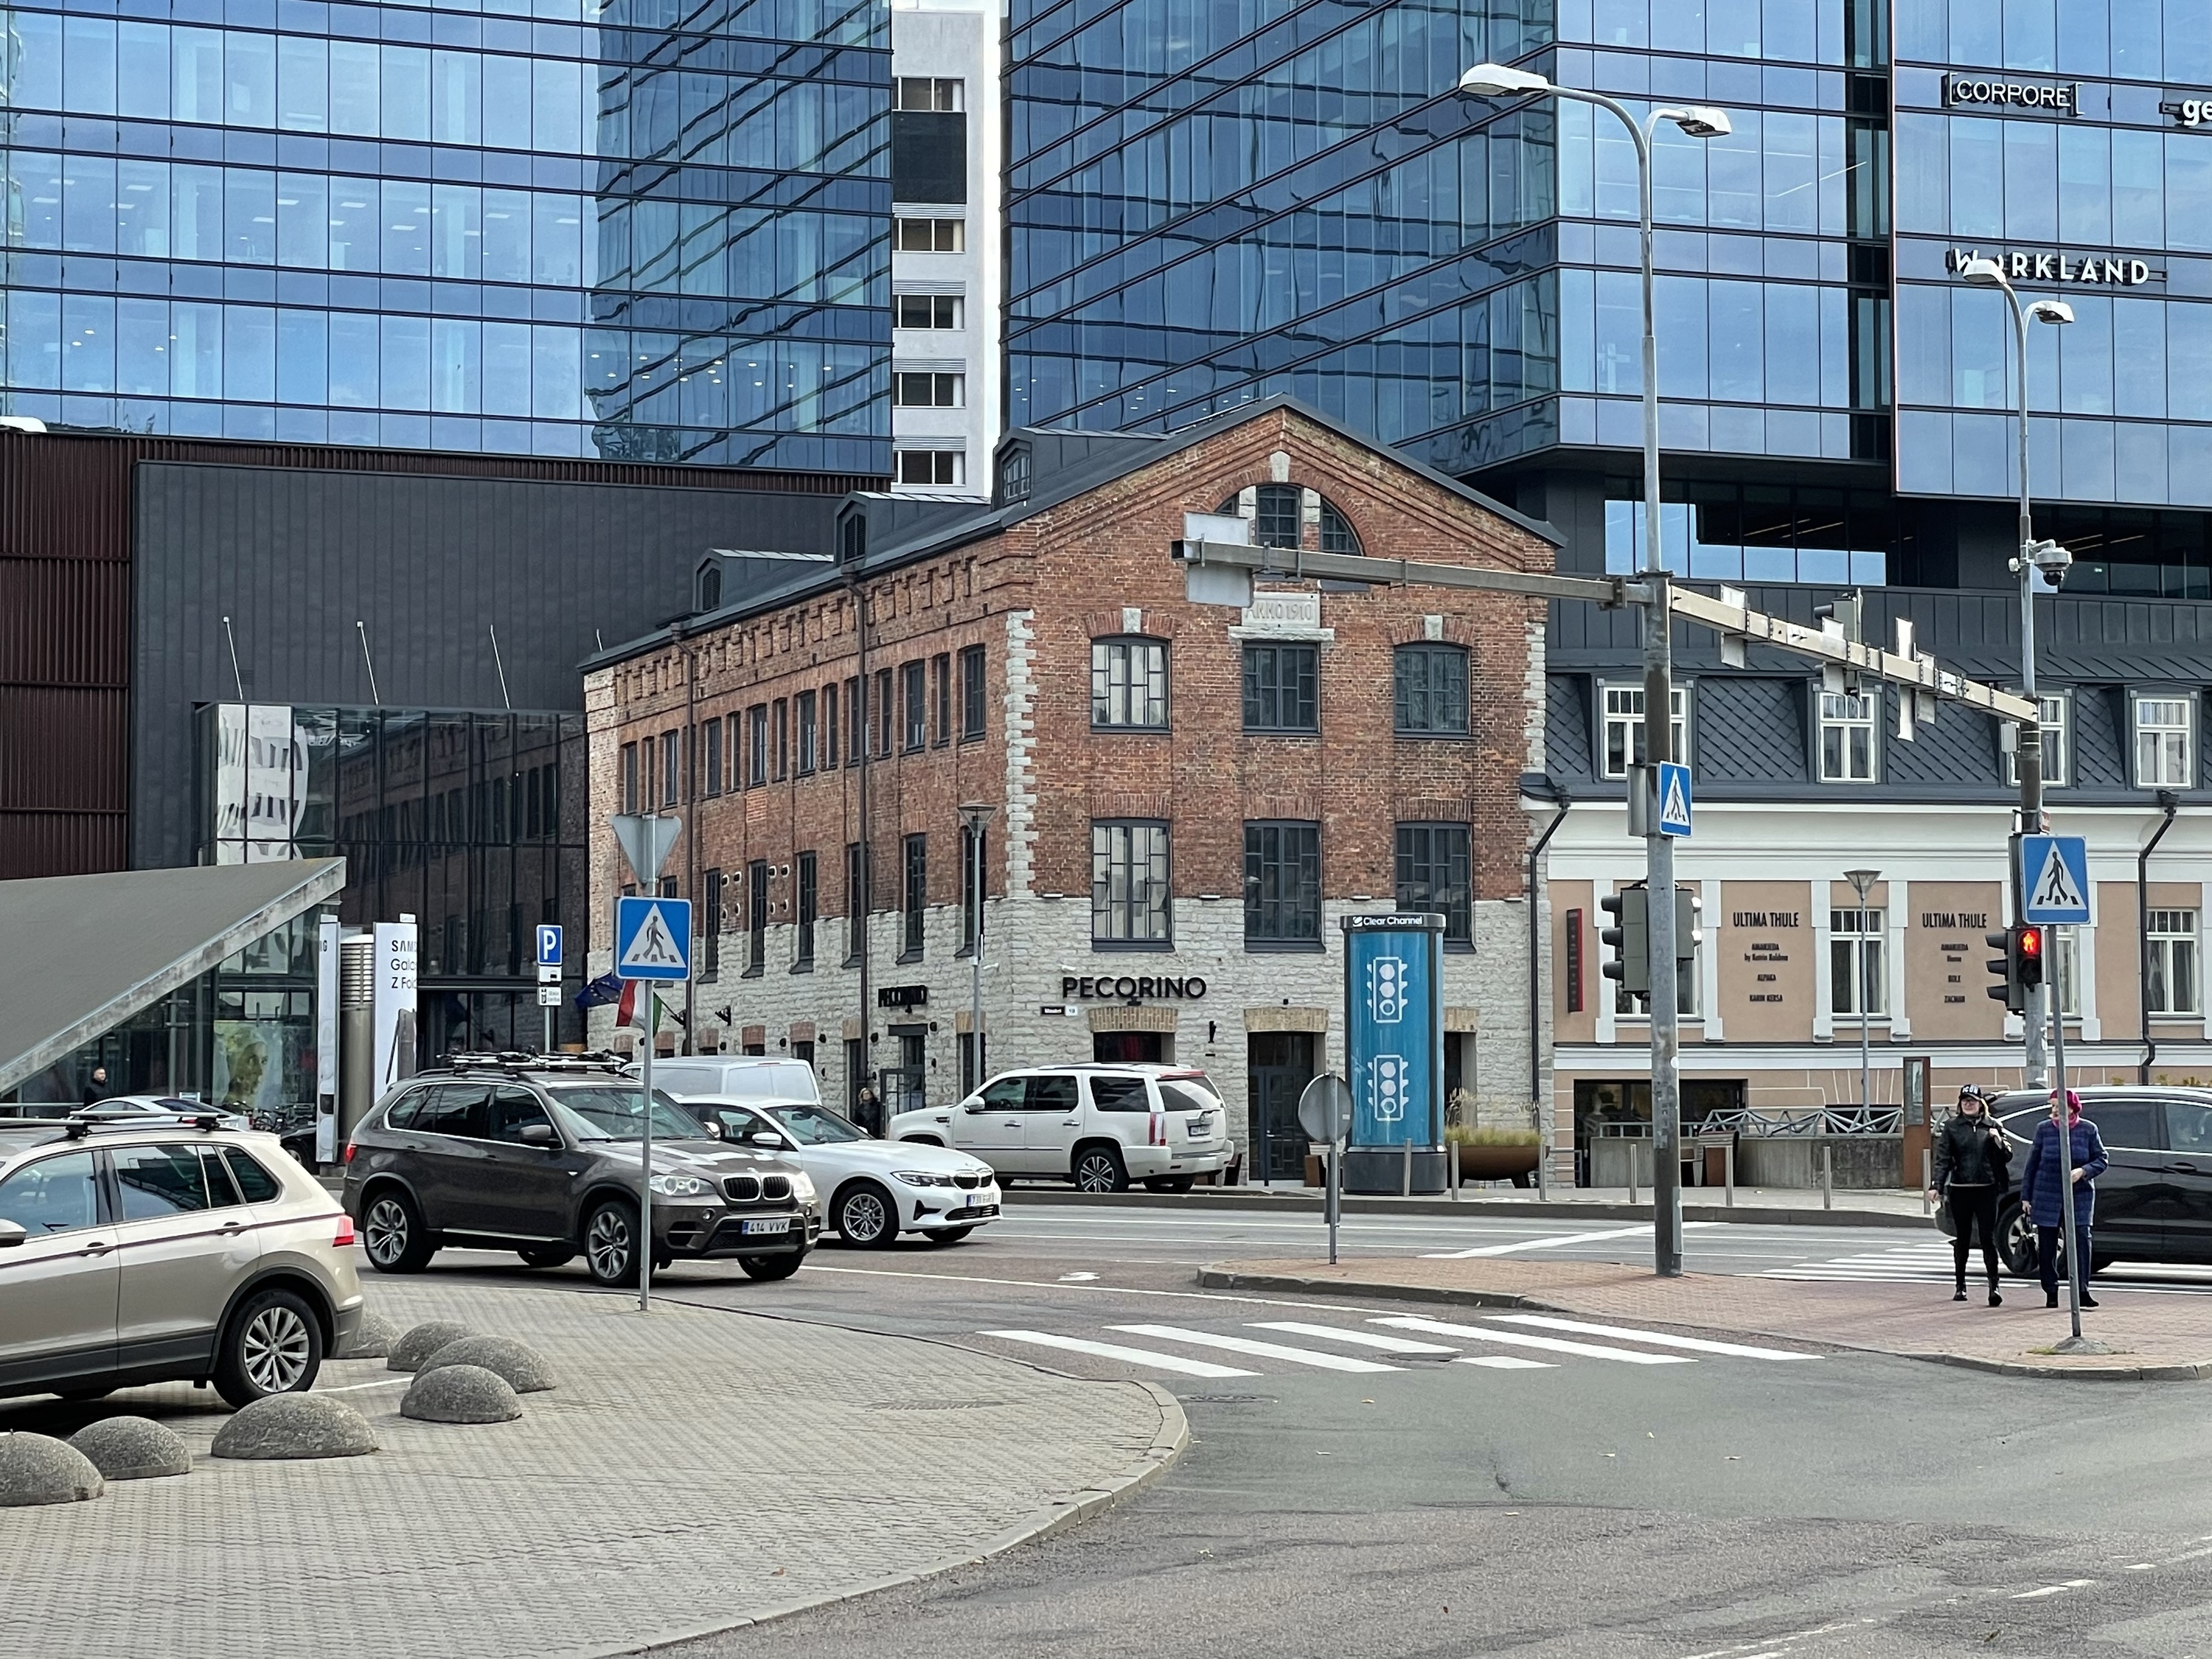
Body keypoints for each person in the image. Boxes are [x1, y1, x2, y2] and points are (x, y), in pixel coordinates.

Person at [2018, 1088, 2109, 1310]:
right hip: (2047, 1193)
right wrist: (2026, 1197)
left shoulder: (2088, 1129)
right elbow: (2032, 1164)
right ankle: (2051, 1291)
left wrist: (2083, 1171)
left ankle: (2082, 1291)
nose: (2055, 1110)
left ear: (2072, 1107)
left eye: (2059, 1105)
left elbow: (2102, 1159)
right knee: (2048, 1246)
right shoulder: (2044, 1129)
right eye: (2052, 1106)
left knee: (2081, 1241)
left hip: (2080, 1195)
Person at [1929, 1085, 2011, 1306]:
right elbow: (1943, 1158)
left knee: (1987, 1238)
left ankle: (1994, 1286)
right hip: (1961, 1188)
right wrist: (1937, 1185)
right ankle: (1960, 1286)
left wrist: (1998, 1140)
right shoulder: (1952, 1127)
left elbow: (2007, 1155)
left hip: (1987, 1188)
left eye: (1972, 1100)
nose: (1968, 1104)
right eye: (1965, 1100)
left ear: (1980, 1104)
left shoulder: (1993, 1125)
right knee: (1963, 1238)